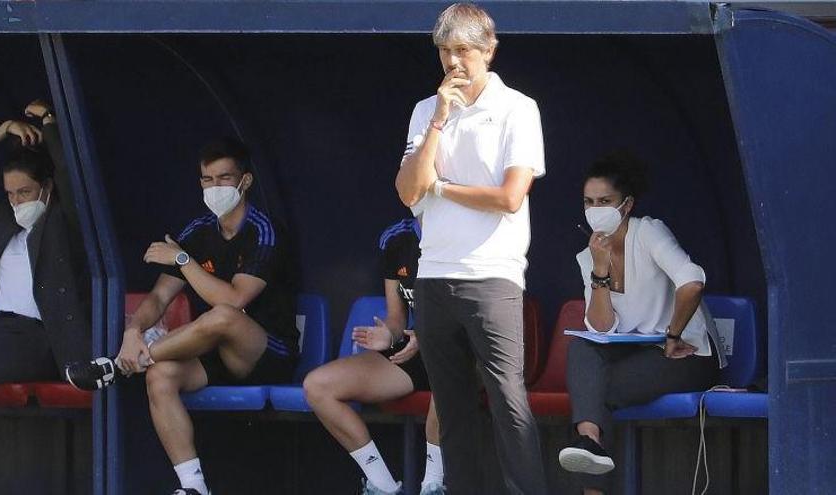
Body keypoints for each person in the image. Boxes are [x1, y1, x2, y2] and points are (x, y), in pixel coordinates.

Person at [65, 138, 299, 495]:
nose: (215, 187)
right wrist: (134, 331)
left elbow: (235, 301)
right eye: (207, 180)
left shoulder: (264, 230)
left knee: (223, 315)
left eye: (224, 178)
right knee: (159, 376)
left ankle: (118, 366)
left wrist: (182, 260)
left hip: (268, 352)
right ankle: (193, 487)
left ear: (245, 181)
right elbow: (159, 296)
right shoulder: (198, 232)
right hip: (217, 352)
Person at [394, 3, 547, 493]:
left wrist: (443, 188)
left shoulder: (518, 108)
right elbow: (407, 191)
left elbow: (508, 196)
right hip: (434, 274)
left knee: (508, 402)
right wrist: (438, 119)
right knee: (451, 406)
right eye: (445, 51)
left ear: (489, 51)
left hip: (493, 277)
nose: (453, 62)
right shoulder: (425, 109)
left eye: (463, 50)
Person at [559, 152, 726, 494]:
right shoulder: (588, 255)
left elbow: (692, 281)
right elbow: (601, 328)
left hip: (686, 354)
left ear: (627, 204)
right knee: (581, 350)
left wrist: (673, 334)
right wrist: (600, 270)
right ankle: (589, 440)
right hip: (633, 355)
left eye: (605, 201)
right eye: (589, 202)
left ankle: (590, 464)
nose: (595, 210)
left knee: (593, 392)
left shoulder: (648, 232)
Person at [0, 100, 90, 395]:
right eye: (10, 194)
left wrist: (48, 121)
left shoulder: (64, 222)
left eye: (25, 192)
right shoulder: (3, 219)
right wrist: (2, 130)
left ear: (47, 187)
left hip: (36, 338)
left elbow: (67, 171)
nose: (16, 201)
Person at [304, 217, 445, 495]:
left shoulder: (465, 229)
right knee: (317, 386)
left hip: (464, 350)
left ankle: (434, 485)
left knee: (448, 373)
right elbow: (396, 317)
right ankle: (383, 486)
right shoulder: (396, 238)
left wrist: (431, 337)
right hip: (415, 346)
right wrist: (390, 335)